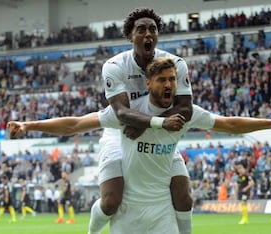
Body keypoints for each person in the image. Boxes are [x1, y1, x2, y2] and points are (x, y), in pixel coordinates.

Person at [8, 57, 271, 233]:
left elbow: (231, 124)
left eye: (173, 79)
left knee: (185, 198)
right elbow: (74, 125)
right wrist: (28, 126)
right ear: (149, 83)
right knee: (111, 202)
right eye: (162, 79)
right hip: (118, 145)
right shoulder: (126, 114)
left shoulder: (185, 113)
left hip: (163, 158)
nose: (169, 84)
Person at [93, 7, 194, 234]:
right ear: (130, 36)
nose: (148, 34)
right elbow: (120, 112)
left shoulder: (175, 63)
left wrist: (148, 124)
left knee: (184, 196)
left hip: (156, 130)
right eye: (141, 30)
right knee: (110, 201)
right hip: (121, 132)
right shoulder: (114, 66)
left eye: (153, 29)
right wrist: (152, 123)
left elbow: (185, 107)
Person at [235, 160, 255, 225]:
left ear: (243, 167)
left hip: (245, 192)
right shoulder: (239, 176)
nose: (238, 170)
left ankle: (245, 219)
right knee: (242, 204)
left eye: (240, 168)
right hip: (240, 192)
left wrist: (246, 188)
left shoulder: (246, 175)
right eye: (237, 168)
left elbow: (252, 183)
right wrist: (236, 193)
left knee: (243, 204)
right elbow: (237, 185)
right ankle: (244, 218)